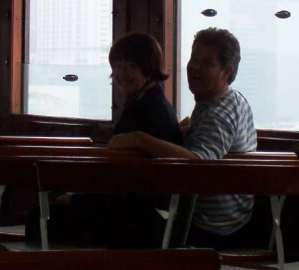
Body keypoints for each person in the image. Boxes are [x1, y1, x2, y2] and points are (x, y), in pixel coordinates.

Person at [27, 33, 184, 248]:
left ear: (149, 68)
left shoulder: (144, 109)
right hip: (145, 212)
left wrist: (78, 199)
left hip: (138, 217)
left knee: (39, 219)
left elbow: (119, 182)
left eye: (131, 66)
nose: (122, 73)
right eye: (117, 66)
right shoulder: (152, 103)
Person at [108, 27, 257, 249]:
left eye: (207, 63)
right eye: (194, 58)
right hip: (231, 220)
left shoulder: (218, 114)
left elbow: (197, 167)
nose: (195, 67)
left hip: (208, 229)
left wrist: (139, 139)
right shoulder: (228, 100)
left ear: (227, 72)